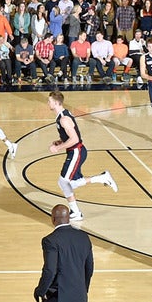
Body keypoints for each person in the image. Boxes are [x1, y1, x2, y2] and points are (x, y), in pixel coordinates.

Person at [46, 92, 117, 221]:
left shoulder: (63, 119)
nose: (48, 103)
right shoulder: (62, 115)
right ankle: (101, 179)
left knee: (65, 182)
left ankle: (77, 211)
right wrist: (61, 141)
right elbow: (70, 136)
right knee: (67, 183)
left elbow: (74, 138)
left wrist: (58, 148)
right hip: (75, 151)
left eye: (49, 101)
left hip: (76, 152)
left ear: (56, 103)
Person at [35, 204, 93, 302]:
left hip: (56, 299)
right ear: (68, 218)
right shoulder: (84, 237)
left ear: (53, 219)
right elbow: (89, 268)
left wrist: (40, 290)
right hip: (78, 298)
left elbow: (50, 270)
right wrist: (82, 290)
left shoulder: (50, 240)